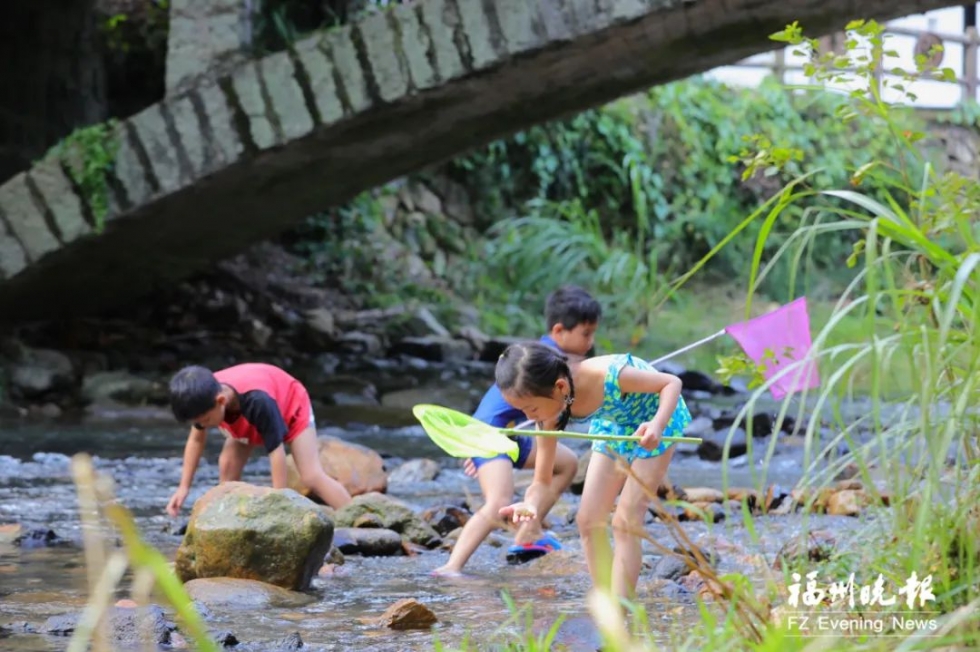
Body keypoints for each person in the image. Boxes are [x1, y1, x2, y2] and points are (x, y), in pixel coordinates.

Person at [495, 341, 691, 599]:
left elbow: (671, 383)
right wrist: (531, 505)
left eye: (530, 409)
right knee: (588, 520)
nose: (529, 416)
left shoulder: (609, 374)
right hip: (614, 426)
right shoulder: (548, 413)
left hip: (656, 421)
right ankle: (606, 603)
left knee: (626, 522)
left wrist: (656, 424)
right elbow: (542, 480)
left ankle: (621, 609)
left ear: (560, 387)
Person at [432, 286, 601, 575]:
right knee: (499, 500)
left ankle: (527, 533)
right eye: (586, 334)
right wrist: (477, 447)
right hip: (491, 435)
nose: (591, 341)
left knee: (567, 463)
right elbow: (582, 374)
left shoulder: (546, 355)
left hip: (511, 433)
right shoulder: (547, 357)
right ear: (559, 331)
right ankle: (451, 566)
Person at [165, 363, 352, 516]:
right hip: (244, 417)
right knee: (227, 464)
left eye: (205, 420)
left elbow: (276, 453)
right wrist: (183, 488)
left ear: (221, 401)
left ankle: (355, 516)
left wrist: (279, 503)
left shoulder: (257, 400)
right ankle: (227, 517)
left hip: (290, 408)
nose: (203, 425)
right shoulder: (201, 398)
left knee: (311, 476)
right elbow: (196, 440)